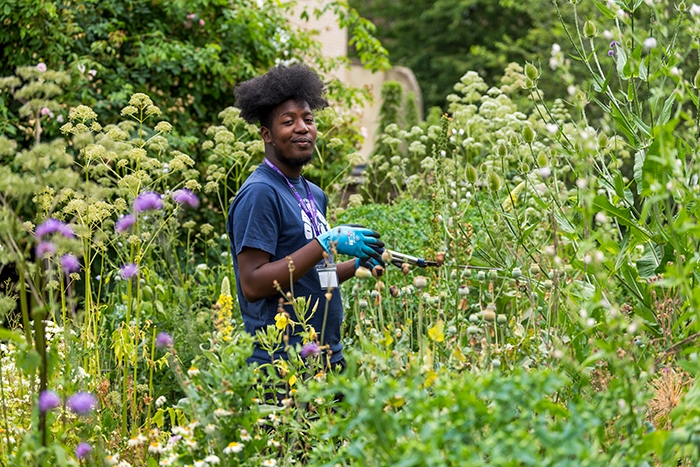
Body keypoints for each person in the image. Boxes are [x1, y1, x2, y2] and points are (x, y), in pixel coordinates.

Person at [226, 63, 384, 369]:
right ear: (267, 134)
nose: (302, 128)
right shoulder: (260, 193)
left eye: (308, 119)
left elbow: (315, 277)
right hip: (281, 366)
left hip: (327, 357)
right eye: (288, 121)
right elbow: (253, 285)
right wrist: (326, 242)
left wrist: (358, 265)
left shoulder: (314, 193)